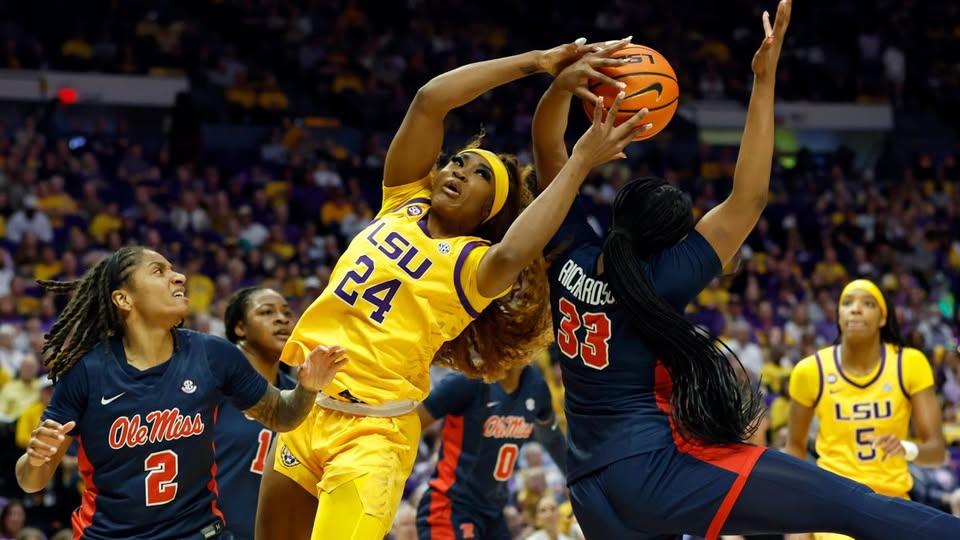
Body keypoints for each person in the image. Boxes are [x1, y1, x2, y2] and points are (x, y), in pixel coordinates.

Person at [533, 2, 960, 538]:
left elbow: (548, 149)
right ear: (669, 243)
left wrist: (560, 87)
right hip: (654, 468)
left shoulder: (568, 251)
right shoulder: (662, 279)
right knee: (853, 507)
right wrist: (763, 80)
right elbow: (750, 196)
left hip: (588, 486)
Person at [254, 39, 651, 540]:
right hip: (307, 406)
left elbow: (519, 247)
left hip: (372, 435)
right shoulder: (403, 200)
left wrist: (579, 162)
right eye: (458, 161)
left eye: (481, 173)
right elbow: (429, 100)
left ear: (493, 210)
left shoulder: (476, 265)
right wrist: (535, 62)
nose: (461, 170)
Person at [15, 246, 346, 539]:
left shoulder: (213, 355)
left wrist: (307, 387)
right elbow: (32, 481)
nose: (179, 277)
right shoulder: (87, 371)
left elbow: (281, 415)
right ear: (123, 298)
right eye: (159, 271)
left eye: (174, 269)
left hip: (198, 531)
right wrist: (35, 460)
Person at [787, 279, 947, 540]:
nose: (856, 309)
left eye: (868, 303)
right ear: (838, 316)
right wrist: (797, 524)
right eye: (847, 303)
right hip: (834, 502)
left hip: (893, 503)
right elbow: (794, 448)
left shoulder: (909, 363)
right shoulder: (809, 370)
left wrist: (906, 448)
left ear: (883, 318)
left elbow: (937, 452)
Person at [415, 365, 563, 540]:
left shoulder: (536, 385)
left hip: (493, 513)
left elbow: (553, 439)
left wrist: (576, 483)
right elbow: (411, 423)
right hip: (451, 507)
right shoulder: (467, 381)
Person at [215, 287, 299, 540]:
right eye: (266, 312)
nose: (282, 319)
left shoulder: (300, 397)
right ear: (240, 328)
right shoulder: (212, 385)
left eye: (287, 312)